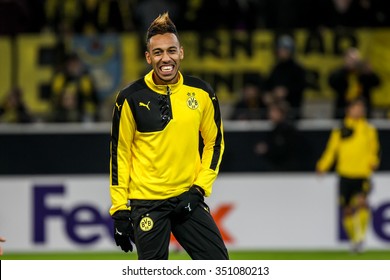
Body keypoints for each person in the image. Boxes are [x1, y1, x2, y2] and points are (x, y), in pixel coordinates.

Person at [109, 12, 228, 260]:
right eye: (159, 52)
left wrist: (198, 190)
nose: (166, 58)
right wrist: (120, 209)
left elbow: (214, 144)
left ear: (181, 53)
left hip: (188, 198)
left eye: (171, 51)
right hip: (147, 203)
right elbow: (119, 153)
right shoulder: (130, 98)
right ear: (148, 57)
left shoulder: (202, 93)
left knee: (220, 268)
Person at [316, 97, 380, 253]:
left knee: (362, 202)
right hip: (345, 174)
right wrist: (323, 166)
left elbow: (374, 149)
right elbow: (332, 151)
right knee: (347, 210)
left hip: (361, 174)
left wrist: (373, 161)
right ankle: (354, 240)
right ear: (349, 110)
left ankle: (361, 238)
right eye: (356, 107)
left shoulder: (369, 129)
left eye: (361, 108)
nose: (359, 110)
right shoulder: (340, 130)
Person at [328, 47, 380, 119]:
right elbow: (332, 83)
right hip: (343, 109)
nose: (354, 62)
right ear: (345, 59)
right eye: (351, 59)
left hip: (362, 110)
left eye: (355, 59)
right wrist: (345, 69)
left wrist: (370, 73)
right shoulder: (340, 73)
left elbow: (377, 83)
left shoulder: (363, 74)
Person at [265, 34, 307, 119]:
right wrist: (270, 94)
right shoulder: (276, 68)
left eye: (284, 49)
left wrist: (287, 91)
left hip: (293, 111)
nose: (281, 51)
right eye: (280, 49)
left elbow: (301, 86)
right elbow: (267, 85)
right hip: (276, 112)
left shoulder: (297, 69)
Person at [50, 52, 99, 122]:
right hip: (63, 113)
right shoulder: (60, 78)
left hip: (82, 112)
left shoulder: (85, 78)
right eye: (71, 64)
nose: (73, 66)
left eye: (75, 64)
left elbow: (92, 98)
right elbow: (54, 97)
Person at [254, 100, 300, 171]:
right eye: (270, 112)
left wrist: (267, 149)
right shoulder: (275, 130)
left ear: (281, 113)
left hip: (289, 170)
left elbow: (285, 150)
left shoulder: (287, 129)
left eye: (274, 112)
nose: (270, 114)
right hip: (278, 169)